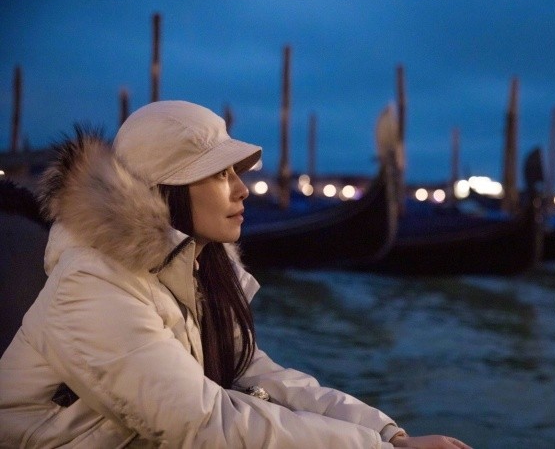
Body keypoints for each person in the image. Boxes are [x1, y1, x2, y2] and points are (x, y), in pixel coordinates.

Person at [0, 100, 471, 448]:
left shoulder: (200, 271)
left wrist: (388, 434)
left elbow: (256, 373)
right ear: (165, 189)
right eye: (221, 174)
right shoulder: (90, 286)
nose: (243, 190)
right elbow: (205, 424)